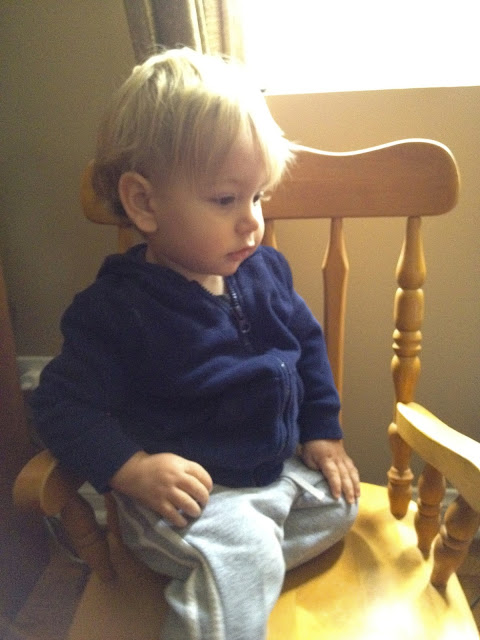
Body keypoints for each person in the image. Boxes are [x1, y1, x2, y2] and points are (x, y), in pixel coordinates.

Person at [32, 47, 360, 640]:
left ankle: (229, 568)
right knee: (243, 544)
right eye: (225, 200)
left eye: (258, 196)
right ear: (145, 202)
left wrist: (322, 430)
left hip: (275, 476)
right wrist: (133, 469)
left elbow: (307, 348)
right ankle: (231, 571)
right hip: (192, 498)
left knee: (343, 504)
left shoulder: (266, 272)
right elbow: (61, 404)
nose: (252, 221)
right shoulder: (115, 311)